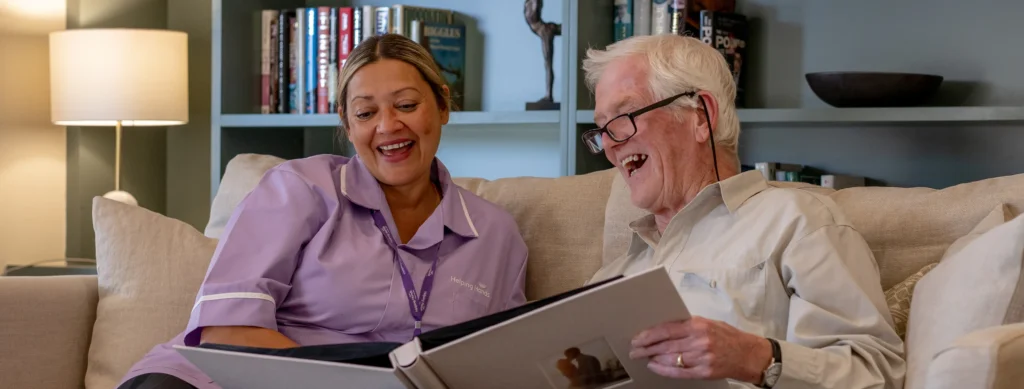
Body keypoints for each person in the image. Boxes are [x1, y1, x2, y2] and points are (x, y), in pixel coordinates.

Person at [117, 33, 529, 389]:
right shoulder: (298, 189)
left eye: (405, 105)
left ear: (442, 107)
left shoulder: (495, 235)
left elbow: (509, 361)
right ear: (348, 128)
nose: (387, 126)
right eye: (366, 113)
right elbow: (225, 331)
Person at [581, 35, 906, 388]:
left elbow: (878, 375)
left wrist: (756, 359)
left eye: (623, 117)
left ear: (700, 116)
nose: (610, 144)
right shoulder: (610, 279)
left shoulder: (797, 223)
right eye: (602, 129)